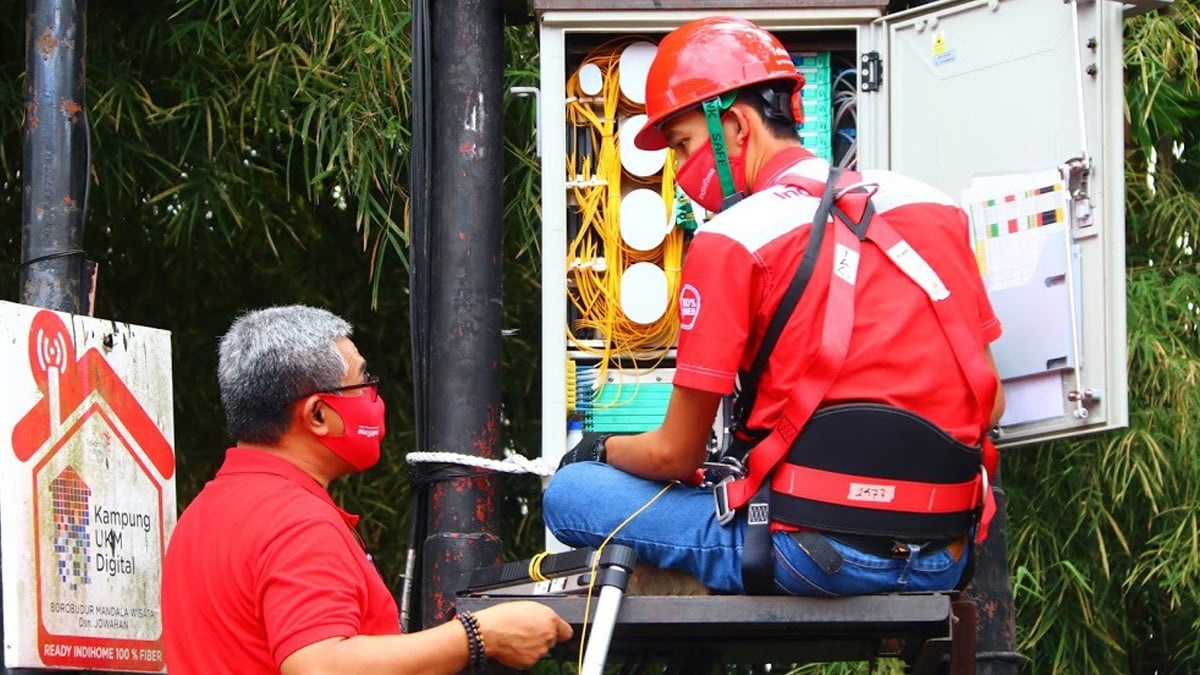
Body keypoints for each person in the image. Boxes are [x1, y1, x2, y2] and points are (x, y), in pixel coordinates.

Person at [544, 17, 1006, 597]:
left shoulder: (733, 238)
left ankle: (684, 579)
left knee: (573, 495)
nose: (683, 172)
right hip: (945, 553)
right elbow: (991, 403)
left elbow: (674, 453)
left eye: (684, 145)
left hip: (808, 555)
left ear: (734, 124)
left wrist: (599, 448)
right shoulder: (932, 208)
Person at [162, 305, 571, 674]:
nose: (374, 396)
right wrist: (478, 636)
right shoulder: (295, 522)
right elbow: (320, 664)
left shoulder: (201, 515)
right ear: (318, 414)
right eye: (362, 381)